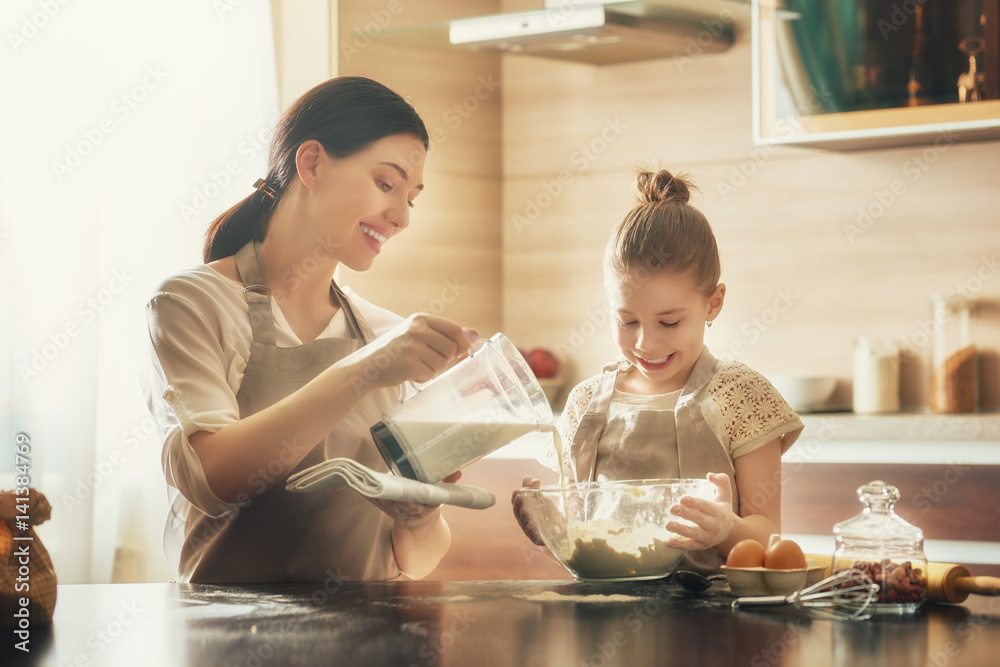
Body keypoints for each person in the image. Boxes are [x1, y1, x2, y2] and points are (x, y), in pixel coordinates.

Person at [142, 76, 473, 583]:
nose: (402, 216)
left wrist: (421, 514)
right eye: (386, 184)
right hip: (228, 643)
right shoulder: (192, 303)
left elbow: (418, 559)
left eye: (412, 197)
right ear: (312, 162)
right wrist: (363, 371)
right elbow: (213, 478)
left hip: (370, 643)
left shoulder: (382, 331)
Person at [512, 169, 804, 572]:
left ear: (713, 303)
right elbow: (581, 537)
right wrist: (550, 529)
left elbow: (768, 537)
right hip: (602, 615)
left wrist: (726, 529)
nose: (646, 344)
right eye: (627, 321)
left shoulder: (741, 395)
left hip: (712, 623)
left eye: (669, 322)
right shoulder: (585, 403)